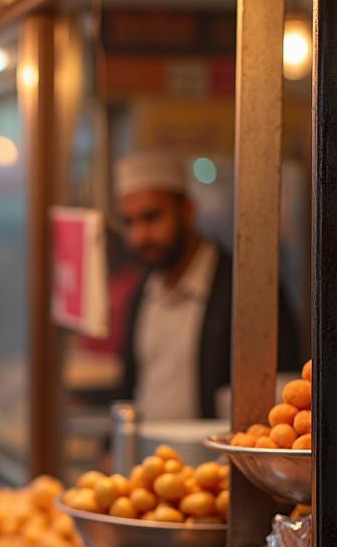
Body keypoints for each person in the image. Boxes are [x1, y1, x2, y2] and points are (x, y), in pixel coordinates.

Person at [115, 151, 299, 420]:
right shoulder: (143, 292)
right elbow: (130, 384)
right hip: (153, 459)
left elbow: (284, 389)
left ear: (187, 211)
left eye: (151, 217)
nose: (140, 236)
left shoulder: (246, 289)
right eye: (129, 222)